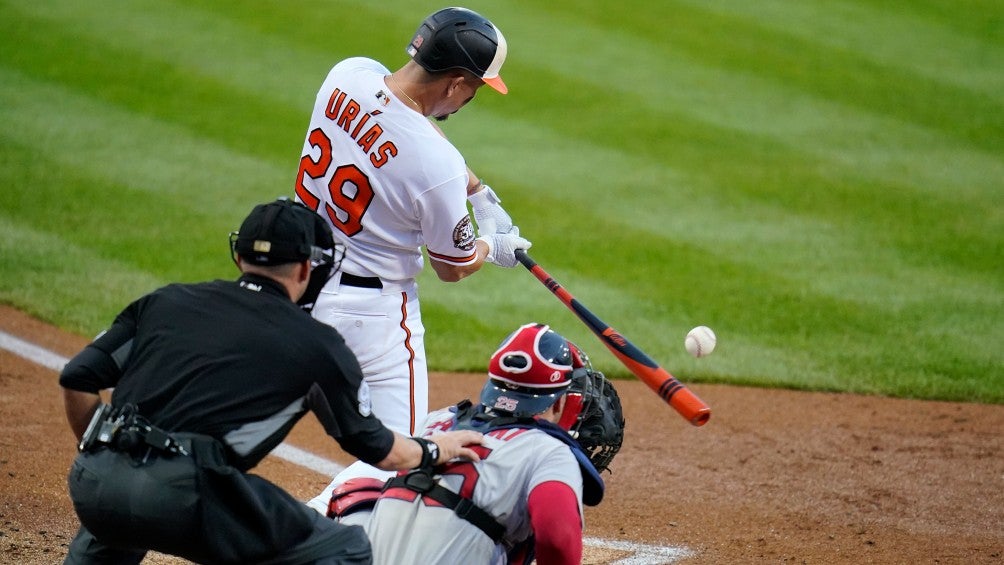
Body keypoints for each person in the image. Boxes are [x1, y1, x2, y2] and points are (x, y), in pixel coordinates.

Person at [58, 198, 484, 565]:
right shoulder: (318, 345)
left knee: (122, 521)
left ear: (239, 256)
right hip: (184, 495)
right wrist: (434, 448)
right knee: (345, 548)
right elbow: (379, 449)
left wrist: (107, 451)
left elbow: (77, 376)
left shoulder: (164, 300)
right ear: (306, 267)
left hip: (94, 482)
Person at [292, 6, 529, 447]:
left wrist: (477, 191)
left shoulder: (348, 75)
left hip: (292, 289)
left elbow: (404, 117)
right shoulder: (435, 168)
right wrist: (491, 245)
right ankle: (321, 516)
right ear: (457, 82)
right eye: (474, 89)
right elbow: (452, 267)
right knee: (404, 458)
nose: (468, 99)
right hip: (368, 320)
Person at [325, 323, 627, 565]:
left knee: (361, 492)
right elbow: (557, 537)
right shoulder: (548, 450)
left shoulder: (436, 422)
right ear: (558, 400)